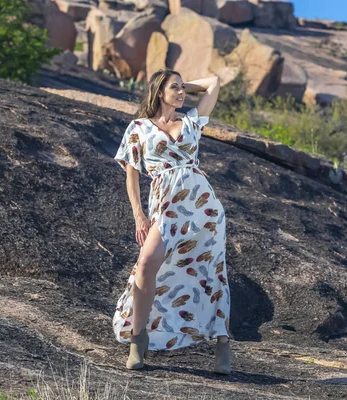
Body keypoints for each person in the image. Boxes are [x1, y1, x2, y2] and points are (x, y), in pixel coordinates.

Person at [112, 69, 231, 374]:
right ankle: (138, 340)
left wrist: (181, 82)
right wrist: (139, 215)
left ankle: (222, 344)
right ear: (159, 91)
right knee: (146, 265)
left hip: (202, 208)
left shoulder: (192, 120)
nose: (181, 93)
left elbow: (214, 83)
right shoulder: (138, 128)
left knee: (210, 272)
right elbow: (132, 174)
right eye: (174, 88)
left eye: (183, 89)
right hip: (164, 208)